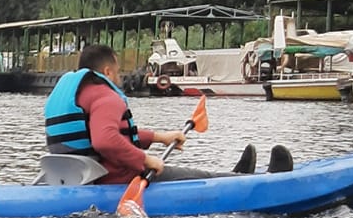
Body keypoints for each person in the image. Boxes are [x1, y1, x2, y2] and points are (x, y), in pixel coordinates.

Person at [44, 45, 291, 182]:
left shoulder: (75, 92)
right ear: (107, 71)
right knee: (199, 176)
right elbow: (106, 140)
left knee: (191, 172)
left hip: (80, 177)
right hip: (115, 179)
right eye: (118, 72)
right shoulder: (106, 96)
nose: (119, 78)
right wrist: (145, 160)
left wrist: (161, 137)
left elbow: (113, 135)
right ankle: (261, 180)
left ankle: (238, 176)